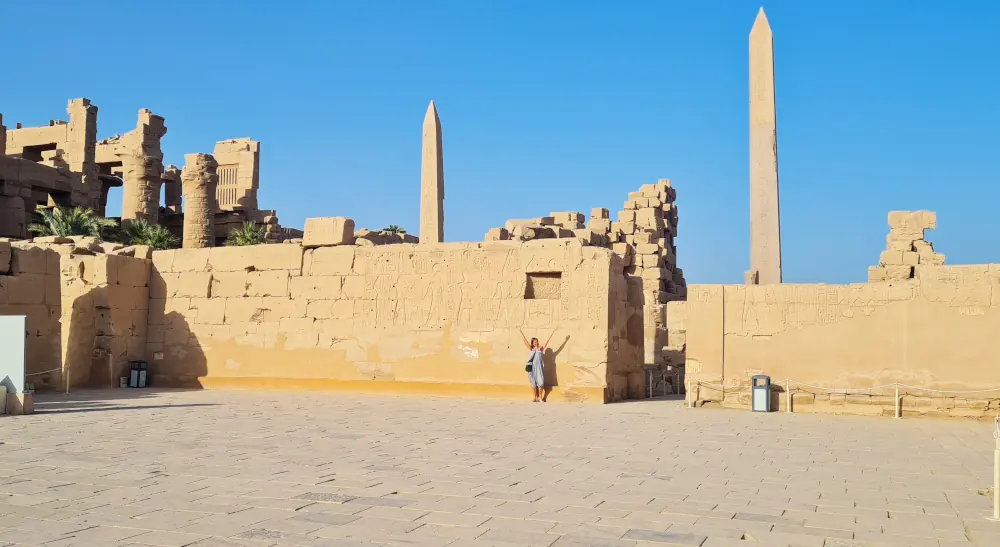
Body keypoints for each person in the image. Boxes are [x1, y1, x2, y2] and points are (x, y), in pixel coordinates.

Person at [520, 329, 554, 402]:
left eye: (537, 341)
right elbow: (525, 342)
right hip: (532, 368)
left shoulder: (540, 348)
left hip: (539, 368)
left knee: (540, 382)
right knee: (533, 383)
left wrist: (552, 333)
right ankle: (534, 397)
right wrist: (521, 332)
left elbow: (546, 342)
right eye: (535, 342)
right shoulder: (531, 348)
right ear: (532, 343)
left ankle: (540, 398)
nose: (537, 343)